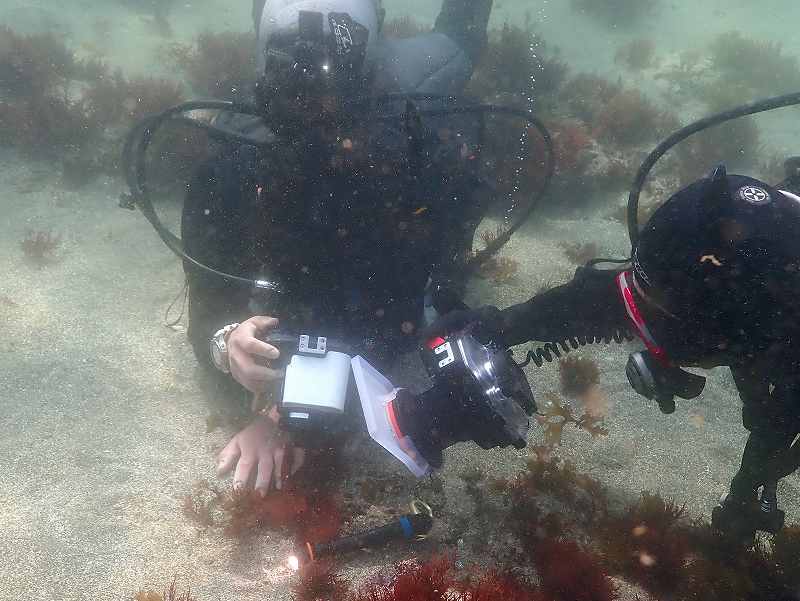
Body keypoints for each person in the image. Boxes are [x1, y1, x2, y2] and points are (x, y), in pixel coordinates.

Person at [181, 0, 497, 494]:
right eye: (295, 95)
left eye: (331, 98)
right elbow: (207, 300)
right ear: (270, 77)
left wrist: (281, 410)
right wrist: (227, 345)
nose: (317, 121)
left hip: (401, 108)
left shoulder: (412, 127)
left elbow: (393, 306)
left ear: (366, 84)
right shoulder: (235, 165)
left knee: (460, 41)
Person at [426, 165, 800, 543]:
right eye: (643, 292)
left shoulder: (777, 326)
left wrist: (746, 489)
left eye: (661, 312)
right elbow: (590, 304)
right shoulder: (701, 262)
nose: (638, 318)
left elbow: (781, 418)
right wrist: (494, 329)